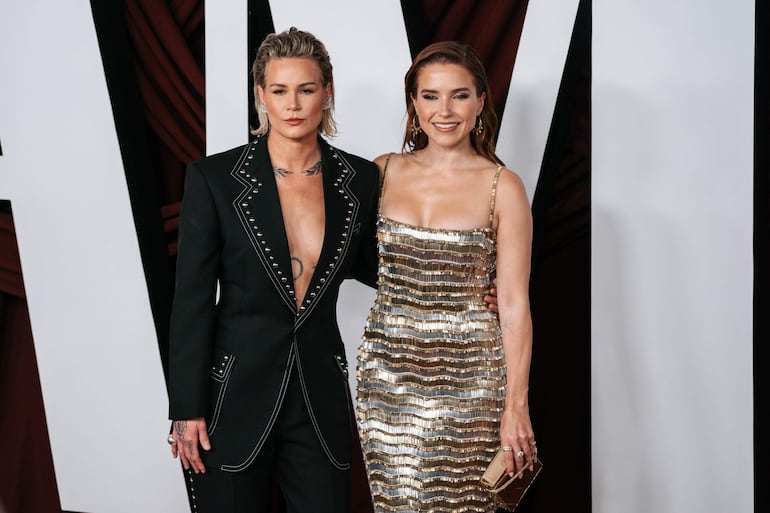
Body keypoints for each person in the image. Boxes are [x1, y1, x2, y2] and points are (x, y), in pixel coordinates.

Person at [165, 27, 380, 513]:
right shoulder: (215, 178)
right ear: (260, 95)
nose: (293, 105)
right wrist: (186, 407)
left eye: (306, 89)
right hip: (232, 397)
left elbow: (378, 267)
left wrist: (466, 286)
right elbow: (192, 302)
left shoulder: (360, 179)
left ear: (327, 92)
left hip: (320, 397)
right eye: (279, 91)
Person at [356, 41, 536, 512]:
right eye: (431, 96)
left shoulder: (504, 187)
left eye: (459, 95)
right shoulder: (382, 172)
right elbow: (330, 255)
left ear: (480, 101)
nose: (445, 110)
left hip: (471, 381)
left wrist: (516, 406)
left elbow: (515, 304)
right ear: (413, 104)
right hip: (387, 378)